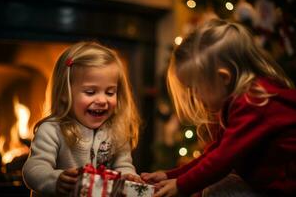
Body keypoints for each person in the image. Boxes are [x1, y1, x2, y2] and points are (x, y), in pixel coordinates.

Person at [141, 19, 296, 196]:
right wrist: (170, 175)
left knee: (221, 190)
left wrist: (181, 185)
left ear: (223, 78)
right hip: (269, 186)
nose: (195, 97)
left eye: (196, 88)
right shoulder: (241, 101)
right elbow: (215, 153)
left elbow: (222, 159)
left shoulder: (254, 102)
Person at [22, 41, 142, 196]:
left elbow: (123, 165)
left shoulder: (116, 130)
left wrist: (128, 177)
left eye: (110, 92)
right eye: (91, 92)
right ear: (65, 93)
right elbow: (34, 169)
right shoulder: (52, 130)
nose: (102, 100)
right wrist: (56, 180)